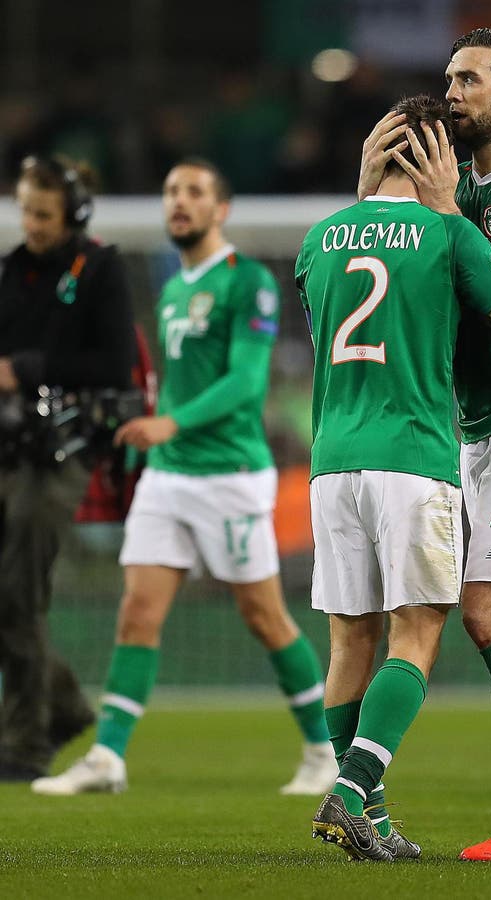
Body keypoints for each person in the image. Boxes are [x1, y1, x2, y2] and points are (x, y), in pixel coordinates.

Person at [301, 94, 491, 862]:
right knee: (424, 634)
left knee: (354, 642)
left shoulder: (319, 237)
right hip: (417, 454)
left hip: (330, 459)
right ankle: (354, 789)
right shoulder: (449, 231)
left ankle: (384, 812)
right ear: (437, 154)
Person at [31, 158, 337, 797]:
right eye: (171, 191)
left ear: (220, 209)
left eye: (194, 192)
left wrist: (171, 424)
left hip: (228, 474)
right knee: (137, 613)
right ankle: (108, 759)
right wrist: (154, 439)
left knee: (264, 617)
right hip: (167, 479)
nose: (179, 202)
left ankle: (322, 750)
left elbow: (247, 382)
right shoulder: (172, 291)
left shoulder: (247, 281)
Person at [0, 156, 135, 782]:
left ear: (74, 214)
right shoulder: (9, 273)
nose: (32, 223)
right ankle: (65, 704)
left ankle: (23, 743)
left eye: (44, 214)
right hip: (9, 445)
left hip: (66, 449)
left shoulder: (102, 270)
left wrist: (26, 368)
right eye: (26, 210)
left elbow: (112, 366)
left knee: (20, 590)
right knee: (10, 596)